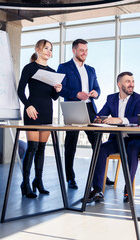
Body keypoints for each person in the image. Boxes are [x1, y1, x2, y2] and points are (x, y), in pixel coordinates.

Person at [86, 72, 140, 203]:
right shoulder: (111, 98)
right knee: (101, 149)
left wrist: (120, 120)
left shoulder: (139, 98)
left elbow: (138, 118)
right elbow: (100, 115)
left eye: (132, 81)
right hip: (117, 140)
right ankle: (97, 190)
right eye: (128, 81)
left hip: (136, 139)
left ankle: (128, 190)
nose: (131, 84)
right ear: (119, 85)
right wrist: (98, 119)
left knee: (132, 149)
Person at [17, 39, 62, 198]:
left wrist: (57, 90)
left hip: (47, 111)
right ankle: (25, 183)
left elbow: (53, 97)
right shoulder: (29, 68)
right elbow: (20, 91)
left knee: (42, 148)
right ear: (37, 49)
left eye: (51, 49)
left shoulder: (52, 71)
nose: (49, 52)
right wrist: (28, 106)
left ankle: (38, 181)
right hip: (32, 112)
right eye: (46, 48)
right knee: (32, 147)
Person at [57, 39, 104, 189]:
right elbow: (60, 89)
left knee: (97, 143)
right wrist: (76, 94)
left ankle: (101, 174)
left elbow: (97, 87)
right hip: (73, 107)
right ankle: (70, 178)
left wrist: (96, 93)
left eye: (86, 50)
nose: (85, 53)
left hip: (90, 107)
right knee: (71, 143)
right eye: (82, 50)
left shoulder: (91, 69)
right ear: (74, 51)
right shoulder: (64, 67)